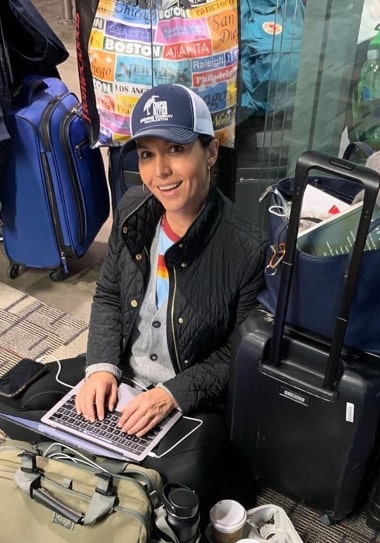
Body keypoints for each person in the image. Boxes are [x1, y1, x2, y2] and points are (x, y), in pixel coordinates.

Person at [0, 83, 267, 509]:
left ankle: (93, 471)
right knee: (14, 400)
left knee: (188, 480)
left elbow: (236, 355)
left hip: (183, 396)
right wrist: (101, 368)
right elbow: (108, 294)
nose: (160, 171)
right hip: (123, 373)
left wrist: (170, 395)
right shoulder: (133, 208)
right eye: (147, 154)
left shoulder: (247, 248)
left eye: (176, 150)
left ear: (211, 151)